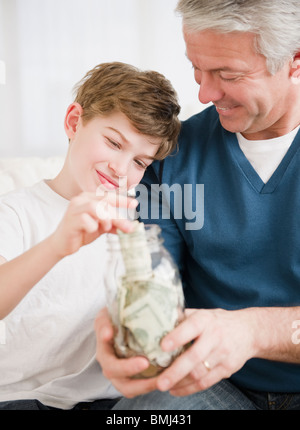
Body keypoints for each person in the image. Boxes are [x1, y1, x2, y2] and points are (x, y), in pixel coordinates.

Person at [95, 0, 300, 410]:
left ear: (295, 62)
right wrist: (120, 325)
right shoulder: (170, 160)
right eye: (196, 68)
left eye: (228, 75)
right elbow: (153, 278)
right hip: (210, 384)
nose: (204, 93)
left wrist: (253, 331)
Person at [0, 62, 181, 410]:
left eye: (140, 162)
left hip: (109, 401)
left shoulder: (135, 224)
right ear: (73, 122)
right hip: (23, 398)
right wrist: (56, 246)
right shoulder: (15, 213)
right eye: (113, 142)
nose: (121, 169)